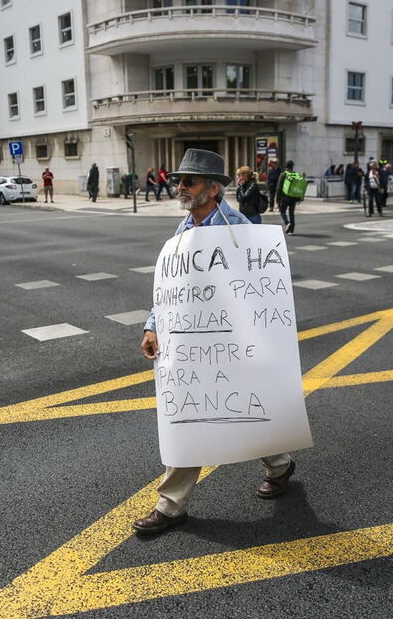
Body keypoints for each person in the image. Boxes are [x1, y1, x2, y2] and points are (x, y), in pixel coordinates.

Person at [133, 148, 295, 535]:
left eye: (189, 182)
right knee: (191, 417)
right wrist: (152, 326)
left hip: (230, 344)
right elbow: (170, 290)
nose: (180, 187)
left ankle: (279, 465)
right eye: (179, 181)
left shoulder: (236, 228)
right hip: (192, 344)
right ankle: (173, 505)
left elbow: (260, 291)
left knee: (238, 410)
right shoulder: (184, 229)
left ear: (213, 188)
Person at [276, 160, 302, 234]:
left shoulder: (283, 174)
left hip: (284, 197)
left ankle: (287, 223)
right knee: (291, 213)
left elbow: (279, 187)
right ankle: (291, 230)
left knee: (282, 211)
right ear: (292, 166)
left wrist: (277, 199)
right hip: (293, 197)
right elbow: (298, 187)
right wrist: (298, 198)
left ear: (286, 166)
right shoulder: (295, 175)